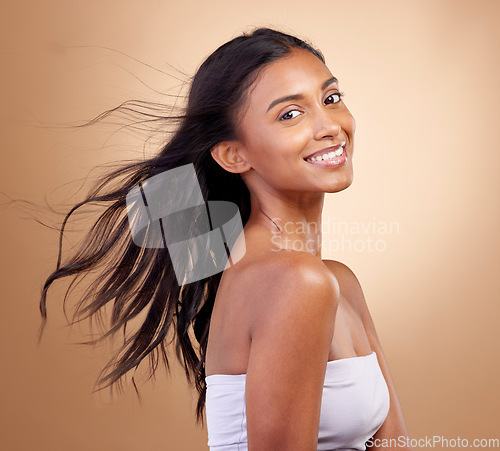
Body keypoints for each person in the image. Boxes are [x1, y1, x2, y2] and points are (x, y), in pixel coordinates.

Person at [38, 27, 412, 450]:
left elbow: (395, 444)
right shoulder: (295, 282)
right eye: (290, 114)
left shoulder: (336, 281)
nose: (330, 126)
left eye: (330, 98)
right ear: (234, 154)